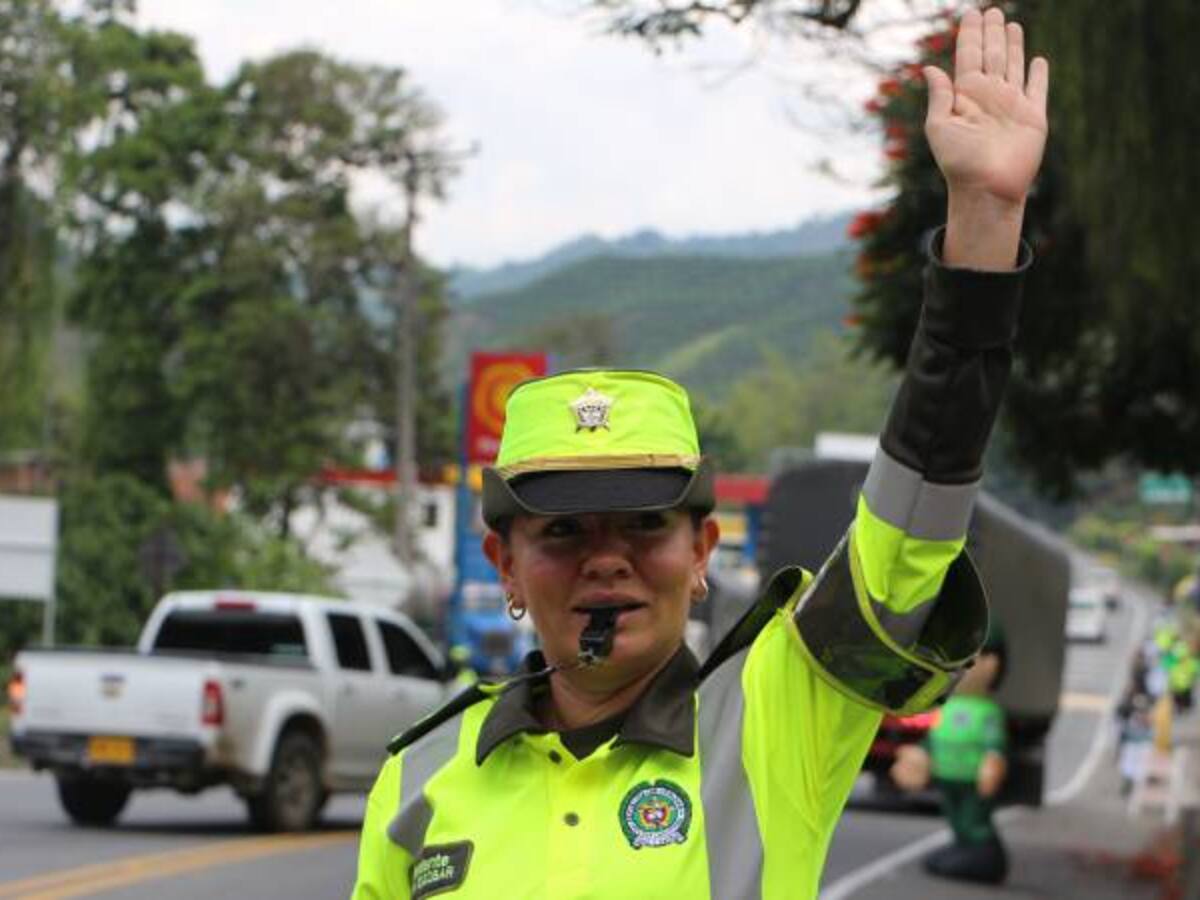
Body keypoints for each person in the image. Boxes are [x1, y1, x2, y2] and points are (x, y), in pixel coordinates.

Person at [353, 7, 1049, 899]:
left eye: (645, 524)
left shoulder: (775, 717)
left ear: (702, 552)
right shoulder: (419, 777)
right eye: (563, 531)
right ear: (506, 566)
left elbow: (907, 534)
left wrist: (984, 228)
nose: (607, 560)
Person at [890, 626, 1011, 884]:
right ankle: (964, 847)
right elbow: (932, 740)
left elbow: (994, 746)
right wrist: (919, 757)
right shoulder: (948, 707)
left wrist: (992, 763)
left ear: (992, 664)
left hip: (971, 783)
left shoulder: (987, 713)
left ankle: (982, 849)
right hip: (947, 779)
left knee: (972, 818)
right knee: (955, 816)